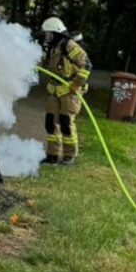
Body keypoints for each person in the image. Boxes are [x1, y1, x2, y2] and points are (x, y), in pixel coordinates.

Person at [39, 16, 91, 165]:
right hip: (54, 90)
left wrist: (76, 84)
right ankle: (52, 155)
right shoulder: (52, 47)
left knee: (65, 122)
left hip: (69, 91)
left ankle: (69, 155)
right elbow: (46, 66)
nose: (46, 37)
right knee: (50, 122)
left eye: (48, 33)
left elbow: (86, 65)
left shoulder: (69, 45)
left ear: (56, 32)